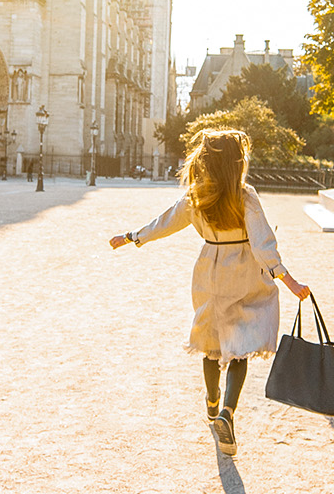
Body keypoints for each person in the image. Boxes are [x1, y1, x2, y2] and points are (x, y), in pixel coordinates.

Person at [109, 129, 311, 457]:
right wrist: (291, 282)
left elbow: (165, 222)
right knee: (240, 348)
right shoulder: (245, 195)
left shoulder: (196, 196)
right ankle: (228, 412)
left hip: (209, 271)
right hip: (244, 272)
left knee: (211, 344)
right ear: (236, 162)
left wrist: (133, 236)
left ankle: (212, 403)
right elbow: (263, 244)